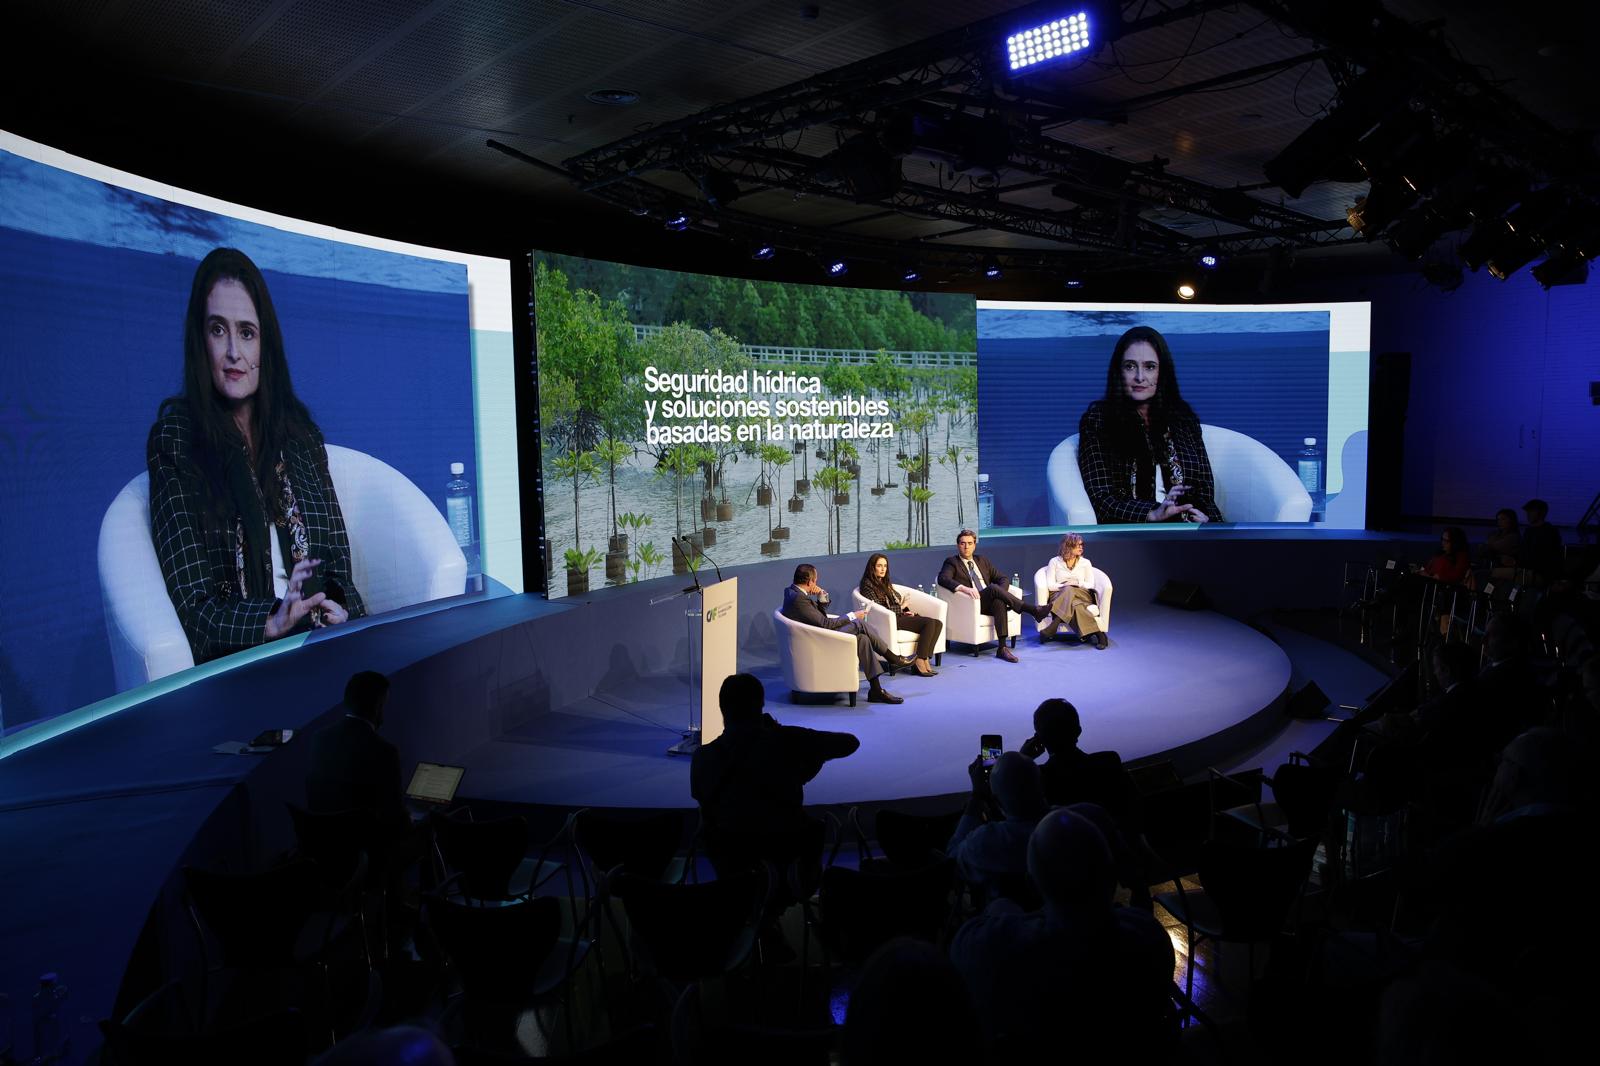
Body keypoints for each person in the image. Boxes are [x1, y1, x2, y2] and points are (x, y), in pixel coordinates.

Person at [147, 247, 364, 664]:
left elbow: (337, 566)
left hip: (320, 645)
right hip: (248, 661)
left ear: (266, 344)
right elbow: (194, 608)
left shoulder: (301, 437)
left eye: (247, 332)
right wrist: (271, 623)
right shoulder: (175, 442)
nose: (233, 352)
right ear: (200, 340)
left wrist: (341, 610)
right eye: (217, 330)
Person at [949, 807, 1176, 1059]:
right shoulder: (1149, 937)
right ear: (1112, 876)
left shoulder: (984, 948)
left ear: (1032, 884)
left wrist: (1002, 909)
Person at [690, 673, 860, 878]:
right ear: (761, 705)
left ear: (721, 708)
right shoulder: (786, 741)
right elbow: (849, 743)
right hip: (787, 863)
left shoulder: (702, 758)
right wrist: (790, 742)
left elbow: (704, 809)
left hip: (731, 869)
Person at [1076, 325, 1223, 524]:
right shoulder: (1098, 421)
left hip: (1190, 531)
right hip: (1134, 537)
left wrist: (1209, 521)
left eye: (1150, 366)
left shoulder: (1184, 419)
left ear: (1162, 373)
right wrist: (1152, 514)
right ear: (1118, 372)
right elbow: (1102, 499)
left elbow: (1205, 491)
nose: (1139, 377)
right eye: (1130, 366)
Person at [784, 563, 909, 703]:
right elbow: (826, 624)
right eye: (816, 579)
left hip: (819, 635)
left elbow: (819, 618)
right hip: (819, 642)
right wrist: (853, 615)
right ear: (810, 581)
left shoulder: (793, 593)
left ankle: (876, 690)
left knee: (863, 639)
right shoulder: (799, 599)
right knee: (859, 623)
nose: (816, 582)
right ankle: (894, 659)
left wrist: (821, 596)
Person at [306, 671, 408, 837]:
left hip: (325, 842)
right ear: (378, 707)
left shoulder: (320, 738)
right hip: (367, 848)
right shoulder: (384, 751)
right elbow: (395, 817)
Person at [946, 751, 1049, 903]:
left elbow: (952, 860)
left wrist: (977, 795)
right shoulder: (1079, 819)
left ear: (997, 801)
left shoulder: (984, 843)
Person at [938, 529, 1051, 663]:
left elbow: (1003, 578)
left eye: (969, 543)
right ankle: (1032, 610)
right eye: (962, 543)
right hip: (970, 603)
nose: (966, 547)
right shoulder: (952, 562)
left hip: (987, 600)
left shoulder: (982, 561)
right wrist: (965, 589)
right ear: (958, 545)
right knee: (992, 589)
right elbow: (943, 579)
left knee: (998, 599)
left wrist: (1000, 593)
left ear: (975, 545)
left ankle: (1002, 648)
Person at [1020, 699, 1135, 818]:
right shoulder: (1109, 761)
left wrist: (1022, 758)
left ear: (1039, 738)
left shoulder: (1038, 779)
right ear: (1078, 731)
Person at [857, 552, 941, 677]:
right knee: (928, 623)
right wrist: (900, 607)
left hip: (899, 615)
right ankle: (919, 659)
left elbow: (895, 599)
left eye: (885, 566)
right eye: (879, 566)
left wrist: (906, 610)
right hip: (890, 620)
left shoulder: (885, 583)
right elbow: (880, 609)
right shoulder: (867, 585)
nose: (883, 569)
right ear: (872, 567)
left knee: (937, 623)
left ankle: (925, 659)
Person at [1039, 532, 1108, 649]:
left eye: (1082, 545)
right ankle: (1099, 634)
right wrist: (1065, 585)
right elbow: (1050, 586)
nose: (1081, 547)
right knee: (1074, 603)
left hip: (1082, 594)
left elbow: (1090, 584)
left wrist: (1077, 583)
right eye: (1078, 545)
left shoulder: (1085, 563)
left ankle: (1053, 626)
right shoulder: (1054, 562)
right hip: (1059, 594)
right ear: (1068, 546)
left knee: (1071, 589)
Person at [1520, 498, 1563, 584]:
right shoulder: (1529, 530)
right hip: (1527, 570)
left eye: (1532, 511)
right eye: (1528, 511)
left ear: (1542, 513)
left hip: (1541, 573)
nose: (1528, 514)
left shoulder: (1549, 531)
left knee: (1496, 574)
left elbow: (1545, 557)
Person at [1479, 507, 1521, 573]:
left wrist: (1489, 547)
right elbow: (1484, 548)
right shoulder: (1495, 534)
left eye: (1503, 519)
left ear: (1511, 520)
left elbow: (1492, 547)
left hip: (1506, 570)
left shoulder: (1513, 537)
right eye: (1498, 520)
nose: (1499, 522)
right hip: (1494, 567)